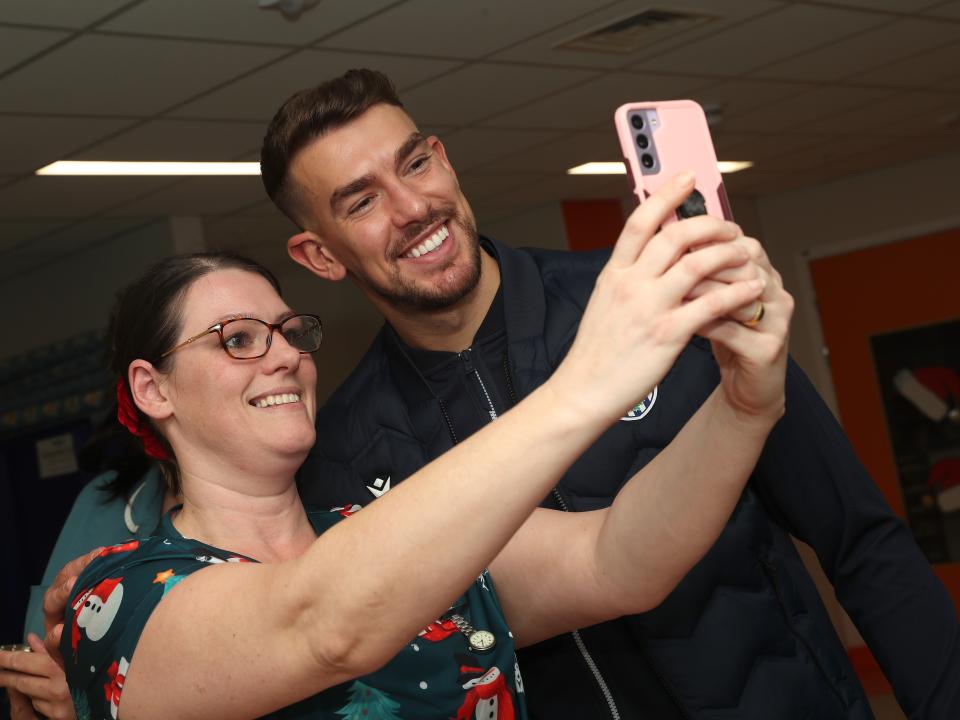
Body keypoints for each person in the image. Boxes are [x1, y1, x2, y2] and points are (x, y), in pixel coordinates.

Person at [257, 69, 960, 719]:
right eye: (363, 200)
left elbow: (860, 541)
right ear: (320, 254)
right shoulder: (344, 456)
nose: (413, 206)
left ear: (443, 157)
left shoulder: (664, 300)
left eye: (415, 163)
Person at [31, 208, 783, 720]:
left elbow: (619, 558)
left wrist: (745, 408)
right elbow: (321, 625)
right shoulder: (121, 596)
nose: (288, 357)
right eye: (237, 340)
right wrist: (585, 384)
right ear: (152, 388)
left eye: (290, 333)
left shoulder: (385, 536)